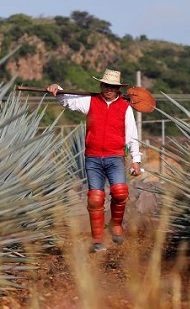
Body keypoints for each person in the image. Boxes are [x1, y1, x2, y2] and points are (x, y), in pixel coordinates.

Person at [47, 69, 143, 253]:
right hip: (93, 159)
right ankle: (97, 240)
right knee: (95, 198)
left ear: (118, 89)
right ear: (101, 85)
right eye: (106, 85)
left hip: (115, 156)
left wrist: (136, 160)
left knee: (120, 192)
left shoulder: (125, 107)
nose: (109, 89)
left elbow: (132, 136)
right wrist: (57, 89)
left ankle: (116, 225)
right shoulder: (90, 101)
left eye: (113, 87)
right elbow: (68, 100)